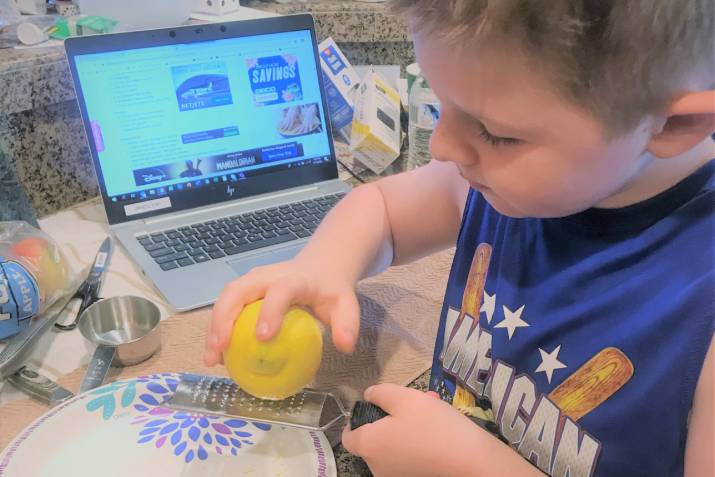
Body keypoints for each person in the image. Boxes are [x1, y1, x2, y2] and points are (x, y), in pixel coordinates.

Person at [204, 1, 714, 475]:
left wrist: (474, 466)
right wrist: (322, 265)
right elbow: (381, 207)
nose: (444, 147)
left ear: (675, 124)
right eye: (442, 101)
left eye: (495, 132)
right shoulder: (502, 185)